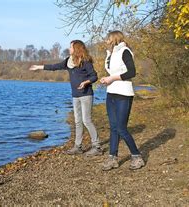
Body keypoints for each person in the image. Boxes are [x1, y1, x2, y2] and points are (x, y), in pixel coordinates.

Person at [29, 40, 102, 156]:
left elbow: (94, 76)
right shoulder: (69, 61)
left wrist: (86, 82)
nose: (69, 49)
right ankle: (78, 147)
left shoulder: (86, 61)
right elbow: (55, 66)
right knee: (77, 122)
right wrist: (39, 67)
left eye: (71, 47)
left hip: (86, 95)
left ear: (76, 48)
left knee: (86, 121)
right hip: (75, 96)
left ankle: (97, 147)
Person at [100, 31, 145, 170]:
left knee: (121, 128)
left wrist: (112, 78)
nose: (106, 41)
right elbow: (112, 72)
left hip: (124, 93)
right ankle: (112, 159)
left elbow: (131, 72)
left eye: (107, 39)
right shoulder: (110, 54)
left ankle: (137, 157)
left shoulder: (125, 51)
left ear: (114, 39)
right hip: (111, 93)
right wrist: (106, 79)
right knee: (113, 127)